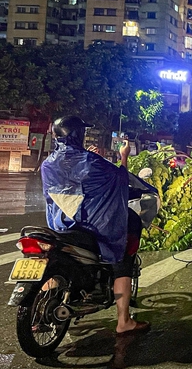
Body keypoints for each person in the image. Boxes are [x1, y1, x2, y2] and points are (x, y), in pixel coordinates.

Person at [40, 116, 149, 336]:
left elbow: (72, 183)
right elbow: (120, 180)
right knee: (122, 260)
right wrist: (124, 156)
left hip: (61, 226)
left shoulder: (47, 164)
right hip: (94, 226)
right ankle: (124, 321)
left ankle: (40, 310)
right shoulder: (91, 162)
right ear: (78, 135)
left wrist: (90, 156)